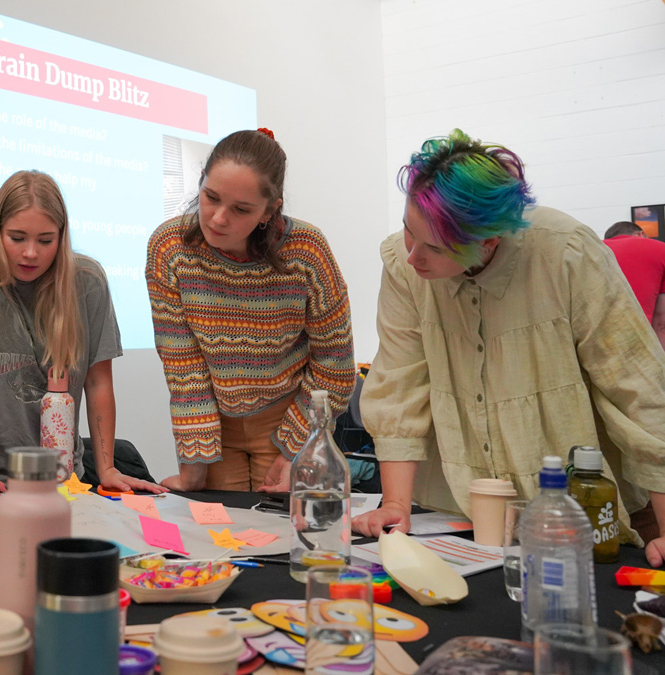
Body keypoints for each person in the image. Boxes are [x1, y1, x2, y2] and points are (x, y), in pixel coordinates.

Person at [351, 129, 665, 568]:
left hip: (588, 520)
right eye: (409, 231)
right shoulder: (404, 270)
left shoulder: (567, 253)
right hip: (467, 519)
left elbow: (639, 389)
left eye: (435, 248)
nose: (412, 257)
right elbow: (399, 385)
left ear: (490, 241)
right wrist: (396, 506)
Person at [0, 170, 163, 500]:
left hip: (59, 479)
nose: (31, 253)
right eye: (17, 238)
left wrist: (106, 470)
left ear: (61, 237)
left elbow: (98, 382)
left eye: (45, 240)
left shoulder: (87, 280)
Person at [145, 129, 356, 493]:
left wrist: (296, 449)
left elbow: (334, 365)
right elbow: (184, 366)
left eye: (241, 209)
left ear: (269, 210)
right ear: (201, 181)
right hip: (213, 424)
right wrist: (193, 463)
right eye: (210, 197)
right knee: (219, 535)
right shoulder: (170, 248)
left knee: (281, 533)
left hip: (289, 416)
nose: (217, 219)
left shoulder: (306, 252)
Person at [603, 221, 665, 353]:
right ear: (640, 234)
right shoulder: (660, 249)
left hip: (594, 346)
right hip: (637, 346)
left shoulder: (591, 250)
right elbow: (661, 320)